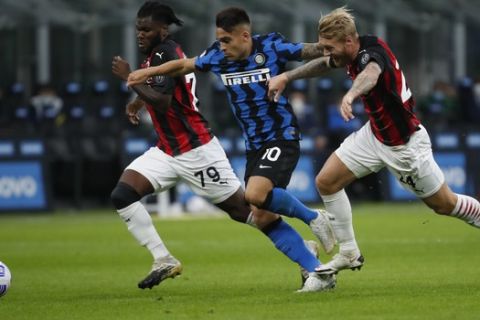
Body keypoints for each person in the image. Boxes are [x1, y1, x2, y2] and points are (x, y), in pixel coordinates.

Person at [112, 1, 334, 293]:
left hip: (196, 149)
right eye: (137, 29)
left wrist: (133, 80)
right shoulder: (198, 55)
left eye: (146, 29)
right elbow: (176, 78)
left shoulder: (167, 50)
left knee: (253, 212)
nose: (139, 34)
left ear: (162, 31)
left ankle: (309, 252)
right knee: (123, 194)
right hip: (167, 150)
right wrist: (139, 92)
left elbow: (166, 97)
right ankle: (162, 259)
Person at [267, 6, 480, 275]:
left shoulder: (372, 54)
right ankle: (349, 252)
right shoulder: (349, 50)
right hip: (374, 135)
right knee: (326, 182)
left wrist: (350, 95)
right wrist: (287, 76)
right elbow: (324, 63)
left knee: (444, 204)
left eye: (329, 47)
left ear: (348, 41)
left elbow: (371, 74)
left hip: (404, 146)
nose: (326, 52)